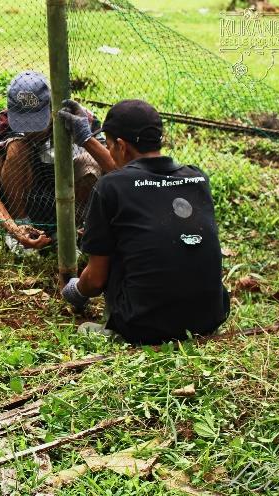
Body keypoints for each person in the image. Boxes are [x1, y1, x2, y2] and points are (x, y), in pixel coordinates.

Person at [57, 98, 230, 344]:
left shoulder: (110, 188)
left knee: (115, 248)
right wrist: (87, 139)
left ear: (121, 146)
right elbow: (133, 178)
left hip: (144, 326)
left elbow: (95, 281)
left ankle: (116, 330)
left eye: (109, 144)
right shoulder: (197, 178)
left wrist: (73, 292)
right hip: (210, 318)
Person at [0, 71, 108, 254]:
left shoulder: (81, 119)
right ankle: (24, 226)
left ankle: (68, 231)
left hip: (71, 193)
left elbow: (112, 169)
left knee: (90, 162)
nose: (30, 130)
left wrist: (97, 222)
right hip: (23, 195)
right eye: (23, 122)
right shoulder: (1, 124)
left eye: (36, 121)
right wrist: (14, 229)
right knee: (17, 147)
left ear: (52, 107)